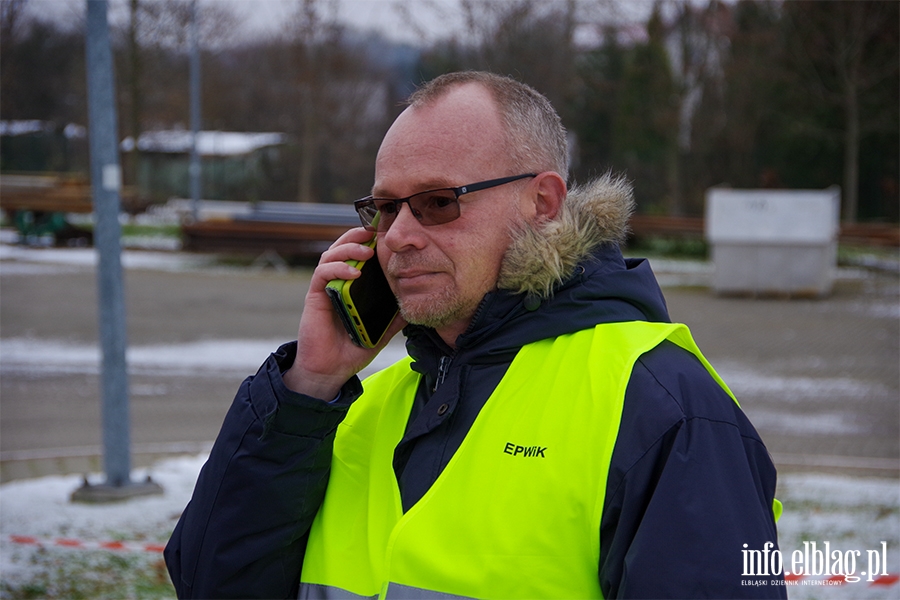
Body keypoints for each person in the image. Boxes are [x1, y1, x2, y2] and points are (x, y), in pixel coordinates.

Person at [165, 71, 785, 599]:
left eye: (437, 202)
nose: (399, 236)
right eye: (384, 209)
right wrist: (309, 384)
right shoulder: (346, 409)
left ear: (543, 202)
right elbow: (209, 583)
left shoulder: (662, 408)